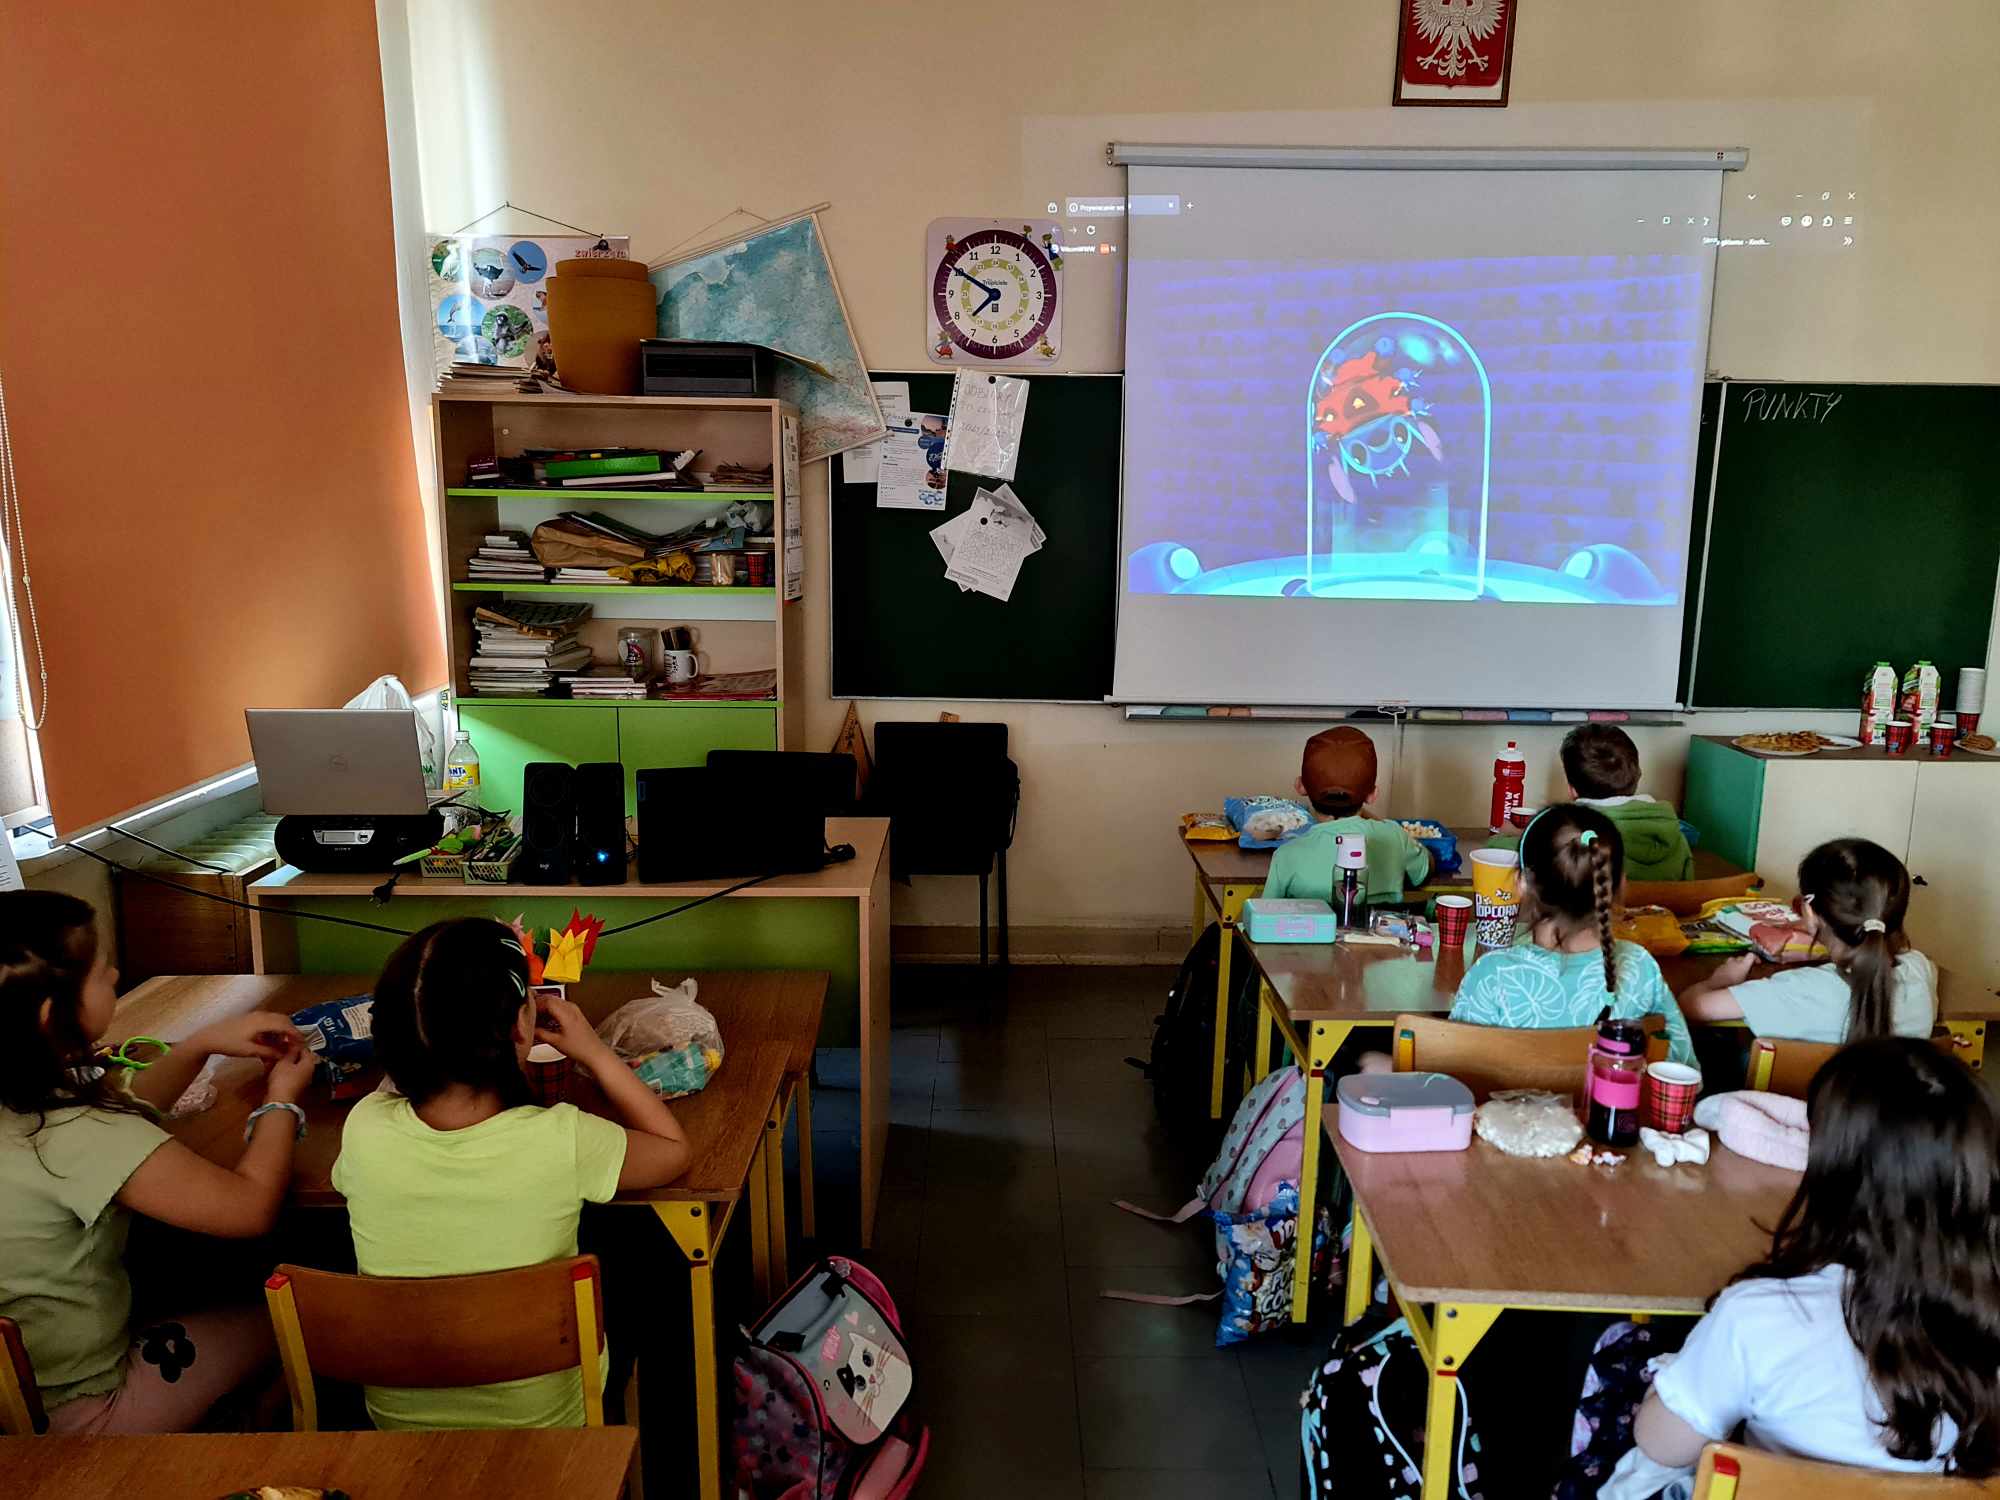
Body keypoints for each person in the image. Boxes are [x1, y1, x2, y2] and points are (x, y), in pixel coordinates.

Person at [332, 918, 691, 1430]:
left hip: (398, 1427)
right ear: (523, 1028)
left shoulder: (364, 1127)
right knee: (645, 1256)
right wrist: (593, 1050)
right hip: (551, 1425)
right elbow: (673, 1151)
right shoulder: (562, 1138)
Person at [1612, 1037, 2000, 1493]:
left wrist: (1671, 1381)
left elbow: (1661, 1445)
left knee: (1617, 1358)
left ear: (1830, 1169)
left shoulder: (1758, 1315)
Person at [0, 890, 314, 1433]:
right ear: (52, 1014)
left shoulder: (28, 1098)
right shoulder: (76, 1132)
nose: (115, 973)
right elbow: (250, 1207)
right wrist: (281, 1099)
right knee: (299, 1313)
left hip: (15, 1394)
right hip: (80, 1414)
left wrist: (198, 1045)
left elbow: (122, 1110)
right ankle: (237, 1443)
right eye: (100, 971)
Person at [1450, 804, 1697, 1066]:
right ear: (1619, 886)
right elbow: (1682, 1068)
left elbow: (1451, 1077)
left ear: (1522, 884)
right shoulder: (1640, 967)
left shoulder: (1491, 974)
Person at [1677, 838, 1934, 1043]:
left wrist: (1721, 980)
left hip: (1801, 1095)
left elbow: (1691, 1005)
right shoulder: (1922, 970)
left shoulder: (1795, 990)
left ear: (1809, 912)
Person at [1487, 724, 1694, 881]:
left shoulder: (1567, 836)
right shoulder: (1674, 836)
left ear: (1572, 790)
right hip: (1657, 925)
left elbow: (1498, 852)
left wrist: (1507, 834)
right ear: (1637, 776)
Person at [1262, 726, 1429, 907]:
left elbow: (1265, 913)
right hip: (1382, 926)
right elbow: (1424, 870)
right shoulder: (1395, 836)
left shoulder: (1286, 856)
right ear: (1373, 794)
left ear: (1300, 786)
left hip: (1312, 927)